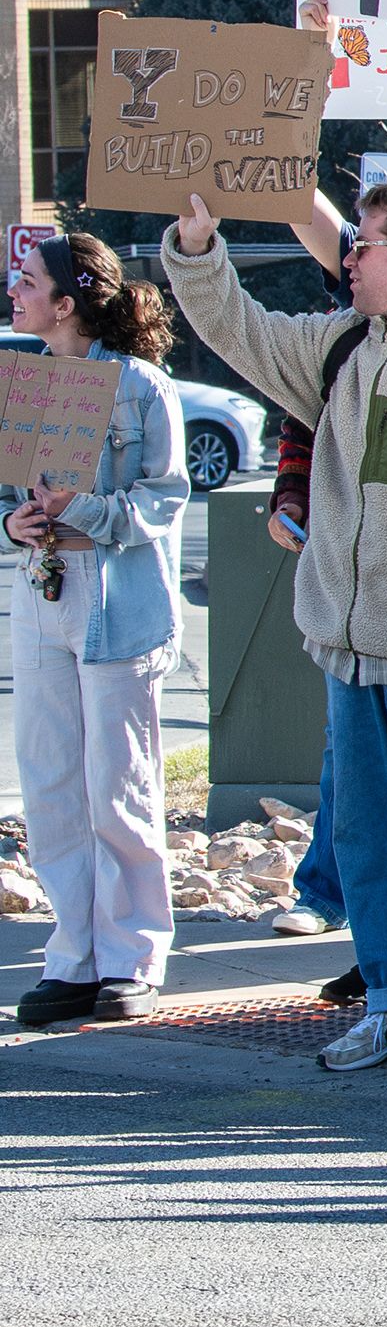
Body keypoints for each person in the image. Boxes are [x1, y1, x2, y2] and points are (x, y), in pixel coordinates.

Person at [163, 183, 387, 1075]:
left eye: (362, 244)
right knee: (367, 840)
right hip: (347, 646)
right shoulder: (338, 348)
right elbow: (236, 329)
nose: (348, 259)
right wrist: (197, 247)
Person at [4, 234, 190, 1028]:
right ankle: (72, 954)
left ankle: (132, 958)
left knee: (118, 787)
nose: (17, 288)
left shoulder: (143, 387)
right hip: (41, 593)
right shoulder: (26, 382)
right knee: (51, 785)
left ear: (69, 301)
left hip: (120, 599)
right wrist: (17, 525)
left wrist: (81, 511)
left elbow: (164, 497)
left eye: (30, 280)